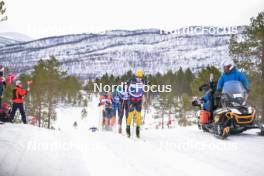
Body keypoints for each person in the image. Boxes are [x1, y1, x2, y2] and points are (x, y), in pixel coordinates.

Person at [126, 69, 145, 138]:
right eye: (137, 77)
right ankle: (128, 128)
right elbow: (127, 82)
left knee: (138, 116)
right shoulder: (132, 80)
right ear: (135, 76)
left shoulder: (143, 81)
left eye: (140, 77)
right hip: (131, 100)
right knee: (130, 115)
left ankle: (138, 130)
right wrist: (128, 83)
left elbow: (144, 88)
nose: (139, 79)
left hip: (139, 100)